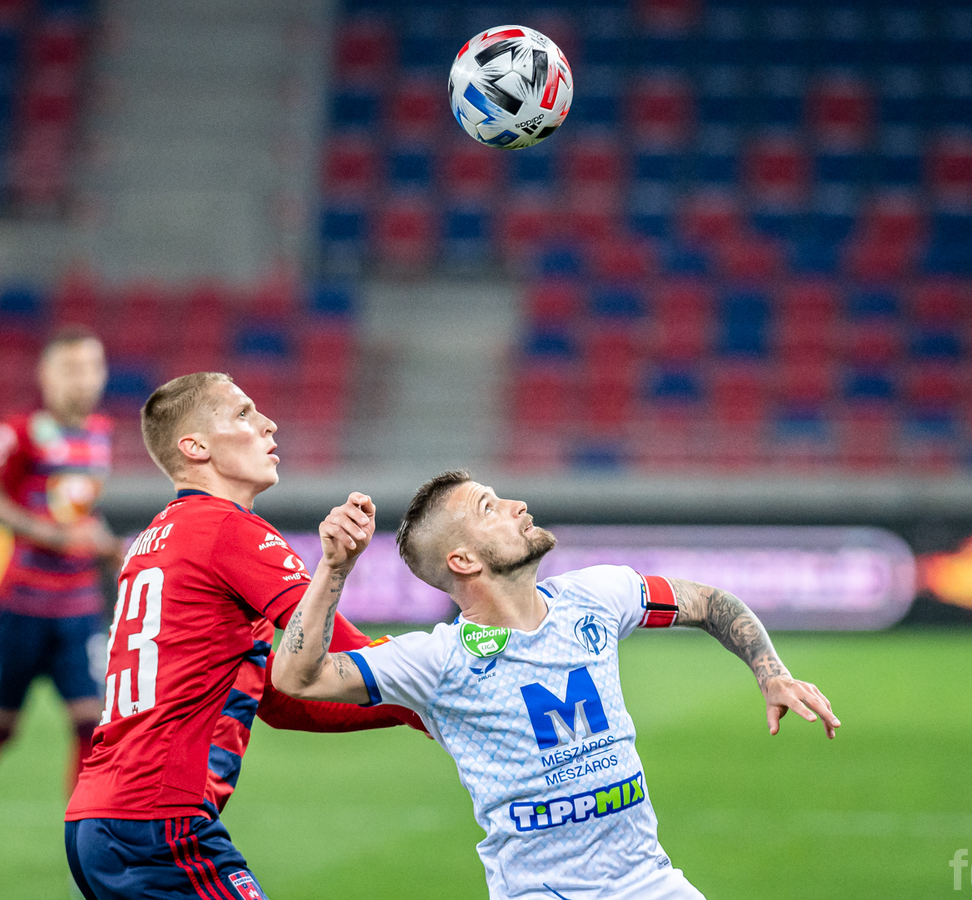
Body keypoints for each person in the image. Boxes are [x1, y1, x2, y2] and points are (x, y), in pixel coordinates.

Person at [272, 469, 841, 900]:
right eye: (490, 507)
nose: (518, 506)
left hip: (650, 881)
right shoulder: (436, 660)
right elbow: (297, 676)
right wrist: (335, 568)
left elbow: (710, 602)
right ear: (463, 560)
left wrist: (772, 674)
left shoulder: (598, 596)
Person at [65, 372, 421, 900]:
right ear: (195, 447)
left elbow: (279, 696)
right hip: (160, 822)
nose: (268, 424)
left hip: (100, 818)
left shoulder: (155, 539)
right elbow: (342, 649)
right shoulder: (226, 529)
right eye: (243, 414)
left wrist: (407, 708)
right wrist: (440, 685)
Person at [0, 326, 124, 898]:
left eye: (92, 367)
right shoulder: (18, 432)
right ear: (46, 375)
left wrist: (104, 545)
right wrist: (47, 533)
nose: (82, 379)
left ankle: (83, 854)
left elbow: (77, 512)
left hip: (79, 608)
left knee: (90, 727)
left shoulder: (102, 433)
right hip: (22, 606)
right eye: (70, 368)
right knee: (0, 728)